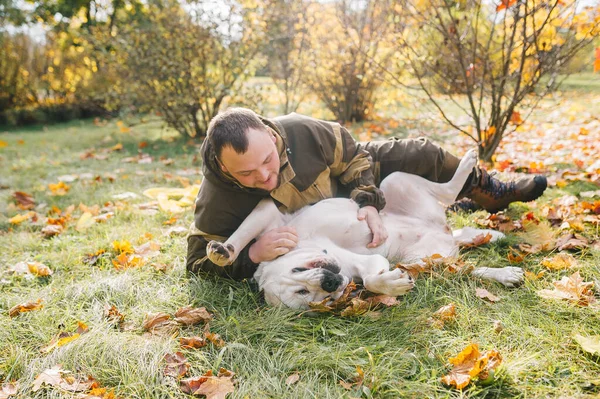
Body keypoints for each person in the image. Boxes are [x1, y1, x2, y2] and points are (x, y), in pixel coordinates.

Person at [187, 108, 547, 280]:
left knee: (418, 152)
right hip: (323, 229)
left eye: (267, 160)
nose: (264, 176)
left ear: (271, 134)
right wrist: (250, 254)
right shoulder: (217, 196)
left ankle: (488, 192)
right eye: (246, 174)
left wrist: (368, 200)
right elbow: (196, 264)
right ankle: (454, 211)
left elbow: (355, 156)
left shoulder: (301, 131)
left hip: (346, 192)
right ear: (225, 169)